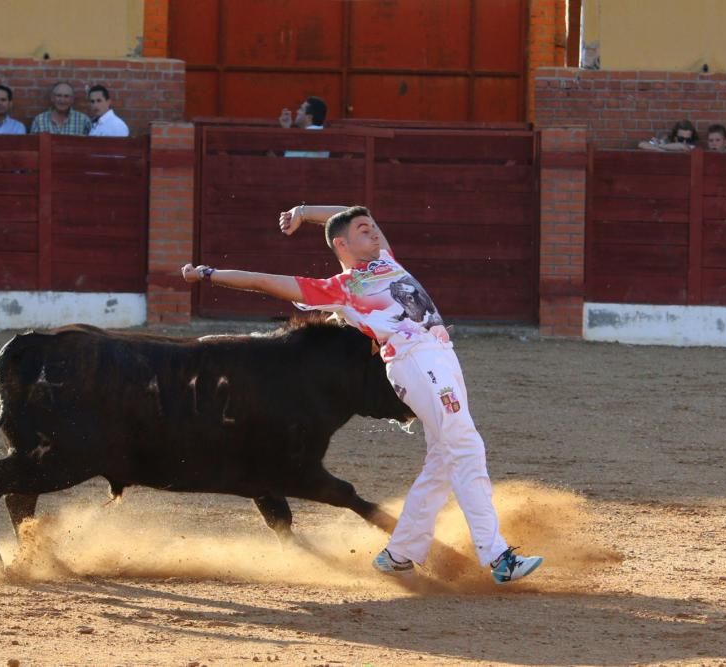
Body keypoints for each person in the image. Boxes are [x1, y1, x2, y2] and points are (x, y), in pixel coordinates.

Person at [180, 204, 544, 585]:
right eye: (363, 229)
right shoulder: (340, 289)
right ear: (342, 243)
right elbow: (263, 281)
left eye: (372, 228)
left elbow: (353, 210)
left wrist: (304, 212)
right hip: (416, 363)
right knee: (466, 447)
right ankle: (497, 555)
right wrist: (208, 273)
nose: (372, 231)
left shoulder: (385, 260)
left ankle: (400, 553)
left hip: (440, 359)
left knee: (443, 458)